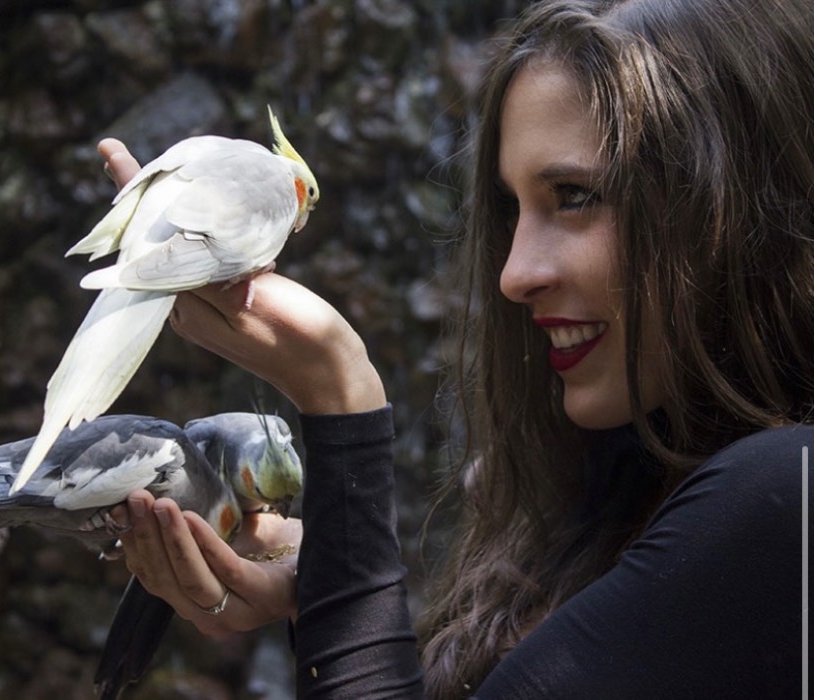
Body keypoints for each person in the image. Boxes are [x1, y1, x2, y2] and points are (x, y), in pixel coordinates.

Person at [105, 0, 811, 696]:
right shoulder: (621, 491)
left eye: (572, 196)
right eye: (512, 210)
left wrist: (340, 398)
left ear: (738, 208)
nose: (514, 276)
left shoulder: (786, 493)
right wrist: (325, 576)